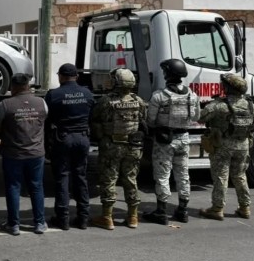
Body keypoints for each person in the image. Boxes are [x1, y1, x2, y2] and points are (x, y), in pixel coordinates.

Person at [143, 59, 200, 225]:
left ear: (167, 74)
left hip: (164, 140)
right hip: (184, 138)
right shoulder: (192, 95)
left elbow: (150, 120)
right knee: (183, 174)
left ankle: (161, 212)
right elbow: (196, 117)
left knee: (162, 175)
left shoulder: (159, 96)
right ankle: (183, 211)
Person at [90, 68, 147, 230]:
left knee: (109, 179)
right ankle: (133, 217)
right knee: (131, 179)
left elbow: (95, 120)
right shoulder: (139, 101)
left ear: (116, 82)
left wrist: (101, 136)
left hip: (111, 146)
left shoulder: (106, 101)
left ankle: (107, 217)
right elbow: (143, 120)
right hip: (133, 147)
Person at [199, 73, 254, 221]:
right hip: (243, 145)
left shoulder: (219, 105)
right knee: (240, 176)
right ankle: (245, 208)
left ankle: (217, 209)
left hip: (223, 145)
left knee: (221, 176)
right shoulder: (251, 105)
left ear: (227, 88)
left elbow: (201, 118)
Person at [0, 73, 48, 235]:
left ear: (13, 87)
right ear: (28, 86)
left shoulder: (5, 105)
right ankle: (39, 223)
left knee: (13, 187)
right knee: (36, 187)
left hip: (13, 153)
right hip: (36, 153)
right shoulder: (41, 103)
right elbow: (44, 120)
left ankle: (14, 225)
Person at [44, 63, 94, 230]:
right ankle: (83, 218)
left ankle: (63, 219)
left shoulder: (53, 95)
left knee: (62, 177)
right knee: (80, 177)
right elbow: (92, 115)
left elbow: (47, 119)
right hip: (82, 137)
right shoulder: (87, 93)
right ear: (76, 77)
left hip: (63, 138)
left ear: (60, 77)